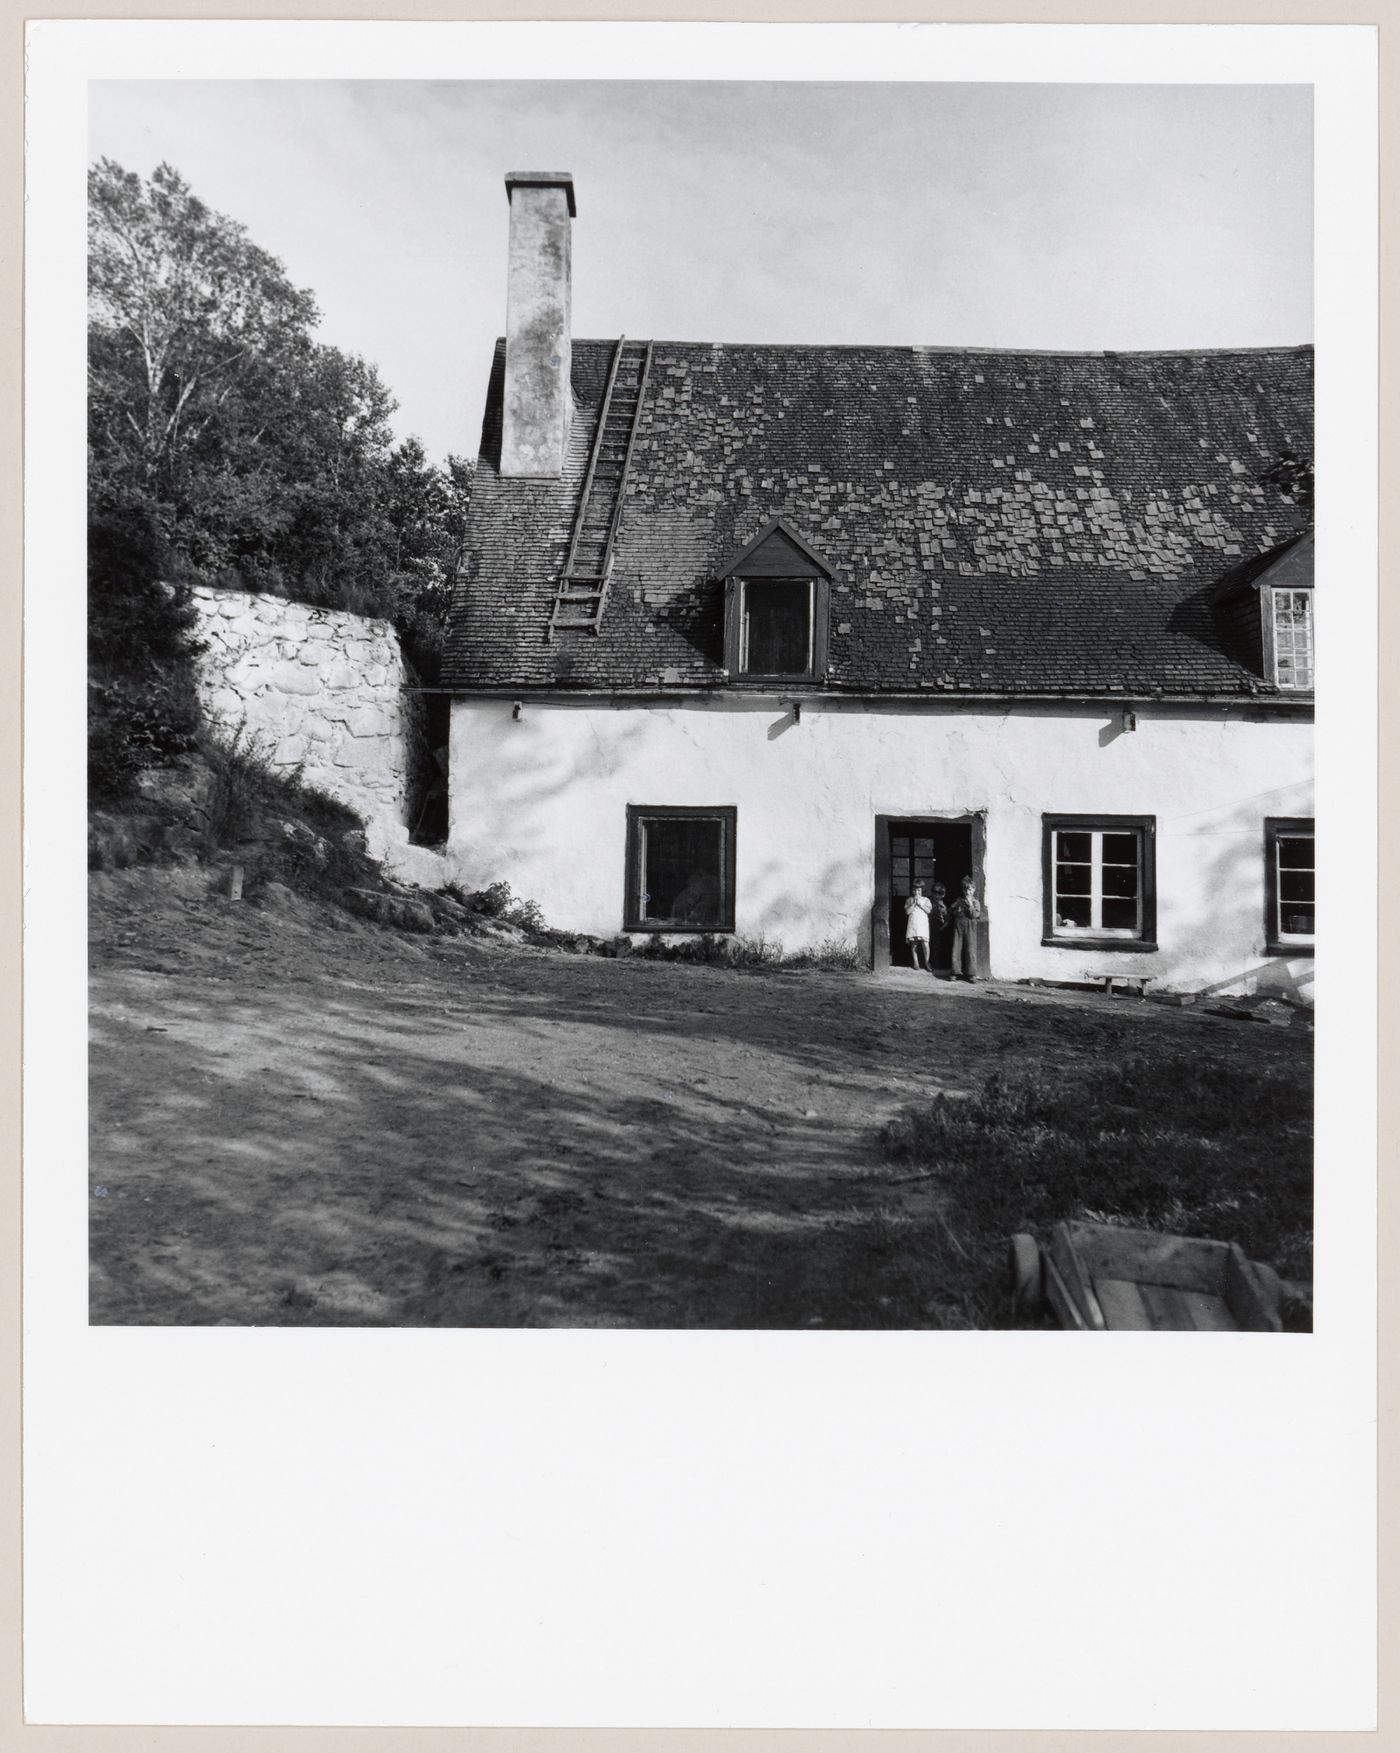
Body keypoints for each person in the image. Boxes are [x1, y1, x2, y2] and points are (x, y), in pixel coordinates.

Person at [950, 874, 983, 982]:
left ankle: (971, 973)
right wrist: (956, 908)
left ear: (974, 890)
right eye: (966, 890)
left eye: (970, 889)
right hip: (959, 925)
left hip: (970, 926)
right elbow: (953, 912)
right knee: (956, 948)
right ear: (963, 890)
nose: (968, 892)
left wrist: (970, 905)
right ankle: (955, 971)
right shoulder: (959, 900)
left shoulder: (976, 902)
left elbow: (974, 915)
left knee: (970, 949)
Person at [904, 880, 934, 970]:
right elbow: (907, 912)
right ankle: (915, 962)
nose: (916, 892)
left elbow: (928, 911)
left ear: (922, 891)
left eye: (918, 891)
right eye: (914, 890)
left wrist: (920, 904)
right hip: (913, 923)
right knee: (914, 944)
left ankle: (927, 961)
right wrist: (914, 904)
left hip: (922, 924)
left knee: (925, 943)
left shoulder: (926, 900)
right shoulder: (909, 900)